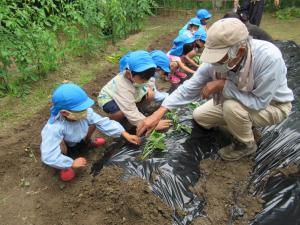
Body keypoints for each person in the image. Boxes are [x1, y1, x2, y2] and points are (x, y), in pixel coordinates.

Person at [137, 18, 294, 162]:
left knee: (231, 108)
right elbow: (189, 88)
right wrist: (158, 114)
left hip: (272, 105)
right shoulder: (217, 62)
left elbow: (259, 102)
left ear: (239, 52)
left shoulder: (268, 58)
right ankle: (241, 123)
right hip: (241, 99)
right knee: (200, 117)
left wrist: (223, 85)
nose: (213, 63)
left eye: (219, 58)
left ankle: (246, 145)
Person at [40, 83, 141, 181]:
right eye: (80, 110)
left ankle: (87, 142)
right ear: (64, 113)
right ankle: (65, 165)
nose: (85, 111)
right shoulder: (54, 127)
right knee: (60, 144)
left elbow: (102, 122)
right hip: (68, 146)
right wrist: (70, 163)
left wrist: (124, 133)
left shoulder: (85, 113)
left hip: (80, 137)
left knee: (94, 122)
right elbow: (48, 155)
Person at [98, 50, 171, 129]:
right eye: (143, 79)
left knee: (149, 95)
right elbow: (129, 110)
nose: (146, 81)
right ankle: (109, 123)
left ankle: (136, 114)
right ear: (129, 74)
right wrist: (152, 124)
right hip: (108, 98)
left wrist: (149, 89)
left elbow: (149, 82)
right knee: (121, 112)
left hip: (131, 90)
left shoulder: (140, 75)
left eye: (148, 78)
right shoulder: (123, 86)